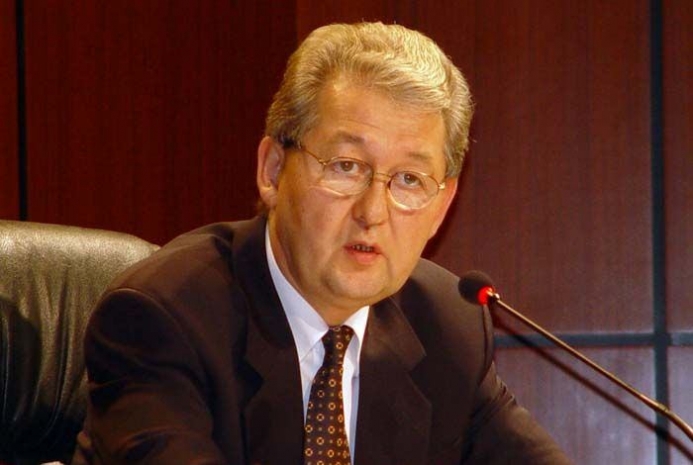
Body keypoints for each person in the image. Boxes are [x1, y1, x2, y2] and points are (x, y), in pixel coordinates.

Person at [73, 22, 571, 465]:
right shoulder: (162, 319)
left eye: (409, 180)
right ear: (273, 171)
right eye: (346, 167)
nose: (372, 212)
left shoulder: (447, 326)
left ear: (441, 206)